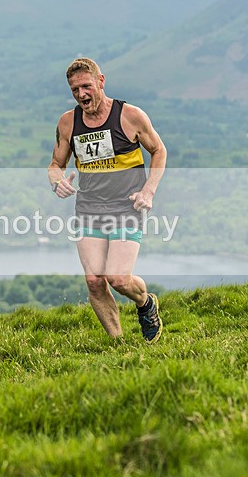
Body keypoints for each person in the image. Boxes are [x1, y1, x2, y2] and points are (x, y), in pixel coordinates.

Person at [48, 58, 167, 342]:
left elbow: (159, 151)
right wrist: (57, 183)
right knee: (94, 281)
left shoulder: (130, 116)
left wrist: (148, 190)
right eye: (75, 90)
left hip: (127, 206)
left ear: (101, 81)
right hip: (88, 208)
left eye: (86, 86)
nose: (81, 95)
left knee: (119, 279)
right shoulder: (68, 122)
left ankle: (146, 304)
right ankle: (118, 343)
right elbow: (55, 164)